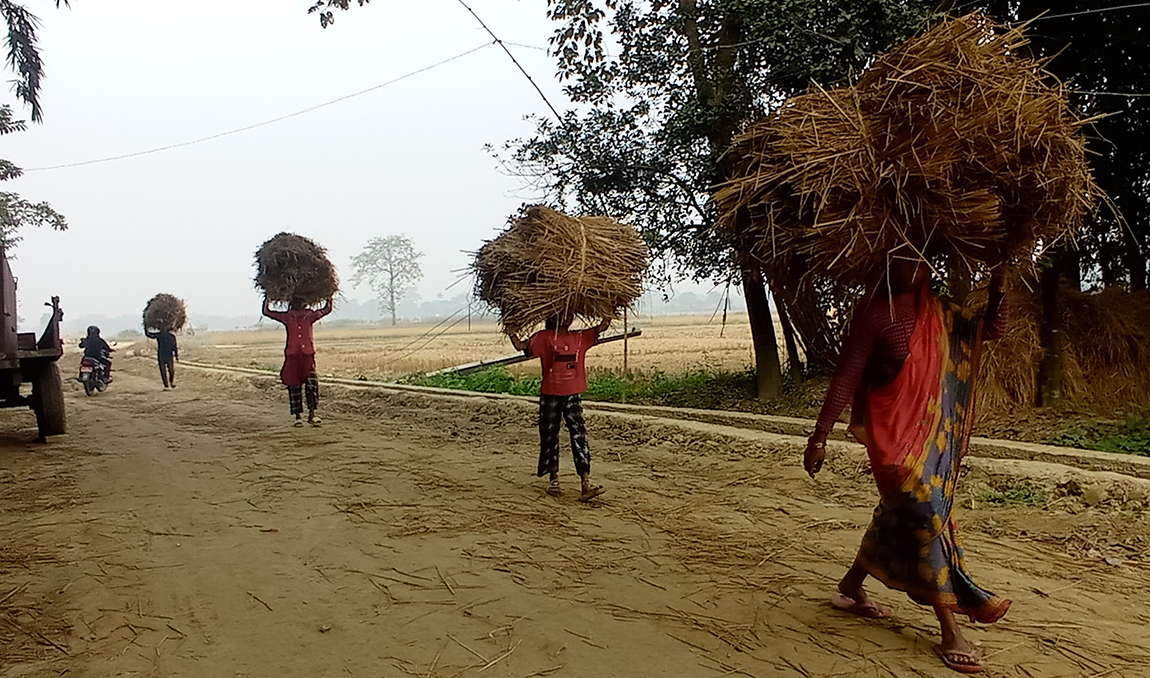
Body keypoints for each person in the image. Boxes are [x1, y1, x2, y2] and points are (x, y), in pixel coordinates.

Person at [805, 258, 1010, 674]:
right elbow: (846, 376)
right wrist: (819, 436)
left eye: (920, 259)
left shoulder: (941, 313)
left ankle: (851, 589)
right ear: (881, 265)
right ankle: (950, 628)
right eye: (901, 259)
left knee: (902, 515)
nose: (914, 267)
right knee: (927, 516)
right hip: (892, 445)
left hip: (930, 442)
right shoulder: (874, 315)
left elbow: (990, 330)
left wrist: (999, 285)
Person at [510, 315, 610, 502]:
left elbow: (603, 326)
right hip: (551, 392)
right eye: (562, 316)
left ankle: (585, 482)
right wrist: (510, 329)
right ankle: (553, 479)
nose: (567, 319)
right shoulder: (544, 337)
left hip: (572, 393)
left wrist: (610, 308)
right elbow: (521, 346)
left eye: (567, 315)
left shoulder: (578, 337)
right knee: (550, 434)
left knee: (578, 434)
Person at [262, 296, 333, 427]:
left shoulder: (302, 316)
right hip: (298, 355)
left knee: (305, 384)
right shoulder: (298, 317)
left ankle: (303, 416)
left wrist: (268, 300)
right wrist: (329, 298)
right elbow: (327, 309)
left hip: (300, 355)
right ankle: (305, 415)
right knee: (300, 385)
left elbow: (267, 312)